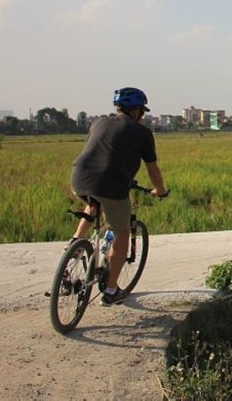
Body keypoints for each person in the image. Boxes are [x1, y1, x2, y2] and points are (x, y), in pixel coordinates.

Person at [69, 87, 167, 305]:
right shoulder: (142, 133)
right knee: (122, 233)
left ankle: (75, 242)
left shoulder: (98, 122)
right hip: (111, 184)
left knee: (94, 201)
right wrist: (160, 190)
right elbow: (152, 169)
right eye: (141, 111)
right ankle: (111, 290)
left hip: (79, 178)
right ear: (137, 111)